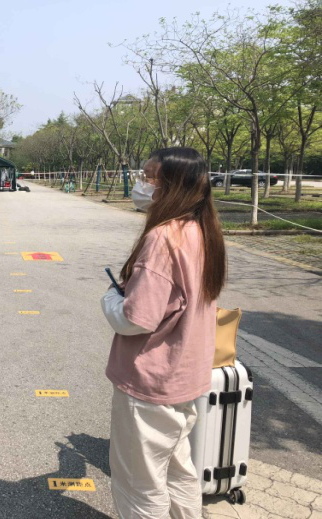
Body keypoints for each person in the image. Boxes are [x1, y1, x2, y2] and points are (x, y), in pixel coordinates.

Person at [100, 147, 226, 519]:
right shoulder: (201, 230)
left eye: (148, 176)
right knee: (177, 468)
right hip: (186, 375)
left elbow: (137, 319)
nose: (141, 183)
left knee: (140, 483)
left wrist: (110, 299)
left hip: (151, 380)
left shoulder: (162, 237)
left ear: (169, 184)